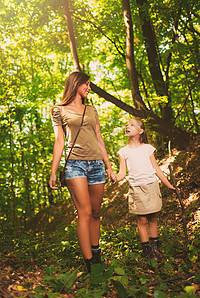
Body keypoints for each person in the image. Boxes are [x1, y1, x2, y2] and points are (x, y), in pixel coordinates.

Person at [49, 71, 117, 272]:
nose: (89, 87)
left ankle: (96, 253)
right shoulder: (58, 110)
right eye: (86, 84)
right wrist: (53, 171)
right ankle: (91, 264)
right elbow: (59, 141)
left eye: (89, 84)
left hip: (96, 164)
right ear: (75, 84)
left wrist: (109, 166)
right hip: (75, 165)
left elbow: (99, 138)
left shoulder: (92, 109)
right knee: (85, 212)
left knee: (96, 213)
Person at [113, 118, 176, 261]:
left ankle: (155, 250)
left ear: (141, 131)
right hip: (136, 189)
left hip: (151, 185)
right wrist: (116, 178)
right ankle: (147, 251)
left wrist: (168, 184)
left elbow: (156, 168)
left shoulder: (148, 148)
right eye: (127, 125)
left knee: (153, 218)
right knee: (142, 221)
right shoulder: (123, 151)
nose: (127, 126)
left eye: (132, 125)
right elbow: (122, 172)